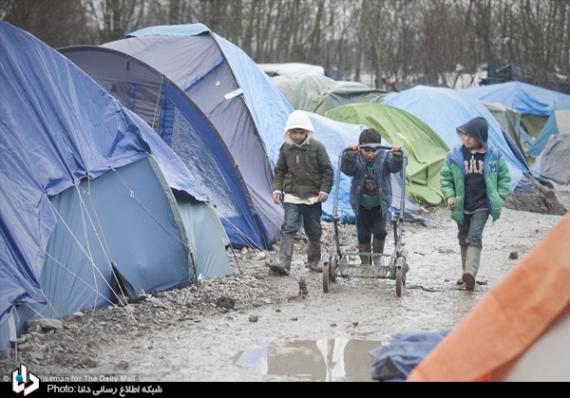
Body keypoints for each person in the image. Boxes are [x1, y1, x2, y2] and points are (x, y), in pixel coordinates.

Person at [440, 116, 511, 291]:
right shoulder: (454, 156)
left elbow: (504, 178)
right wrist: (449, 196)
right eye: (465, 135)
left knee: (474, 236)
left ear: (480, 138)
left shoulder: (493, 156)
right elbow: (446, 178)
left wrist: (498, 197)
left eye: (471, 136)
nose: (467, 139)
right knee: (463, 237)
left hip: (482, 204)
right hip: (461, 204)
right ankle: (466, 274)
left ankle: (471, 272)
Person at [271, 110, 333, 275]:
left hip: (313, 196)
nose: (297, 136)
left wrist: (324, 190)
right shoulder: (286, 148)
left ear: (307, 132)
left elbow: (327, 171)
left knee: (313, 229)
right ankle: (283, 263)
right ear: (288, 132)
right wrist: (277, 189)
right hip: (292, 195)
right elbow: (280, 170)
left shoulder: (317, 147)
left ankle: (314, 261)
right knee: (289, 227)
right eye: (294, 132)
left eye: (301, 132)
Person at [340, 129, 403, 266]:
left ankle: (377, 258)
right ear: (360, 147)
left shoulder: (385, 157)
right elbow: (347, 170)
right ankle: (365, 262)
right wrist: (350, 156)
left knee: (380, 231)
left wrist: (397, 157)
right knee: (363, 234)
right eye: (366, 150)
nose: (370, 154)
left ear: (379, 148)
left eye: (374, 150)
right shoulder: (356, 157)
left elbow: (394, 168)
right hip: (361, 204)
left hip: (380, 204)